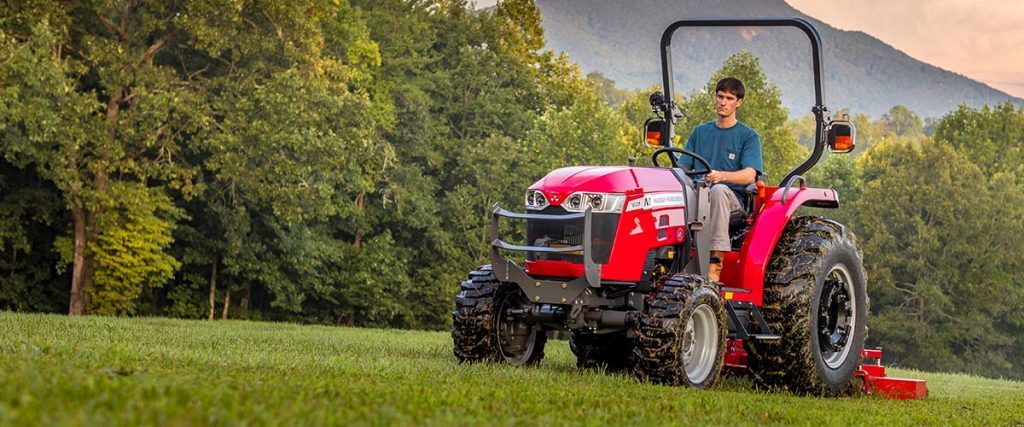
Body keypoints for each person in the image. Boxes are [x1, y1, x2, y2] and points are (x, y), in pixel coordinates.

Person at [679, 77, 764, 283]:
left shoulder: (748, 136)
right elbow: (682, 167)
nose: (723, 102)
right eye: (720, 96)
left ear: (739, 102)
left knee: (718, 191)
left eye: (729, 98)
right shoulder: (700, 132)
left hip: (732, 202)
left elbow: (749, 175)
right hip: (699, 197)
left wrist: (722, 176)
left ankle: (714, 269)